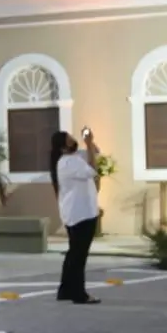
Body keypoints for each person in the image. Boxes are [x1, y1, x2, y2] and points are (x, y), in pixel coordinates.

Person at [50, 128, 101, 305]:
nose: (73, 139)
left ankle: (65, 290)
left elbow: (95, 152)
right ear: (63, 147)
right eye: (69, 139)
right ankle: (79, 294)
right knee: (79, 256)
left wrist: (89, 142)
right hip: (81, 214)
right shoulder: (69, 162)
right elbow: (93, 170)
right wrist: (88, 144)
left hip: (78, 213)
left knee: (73, 254)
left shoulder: (72, 159)